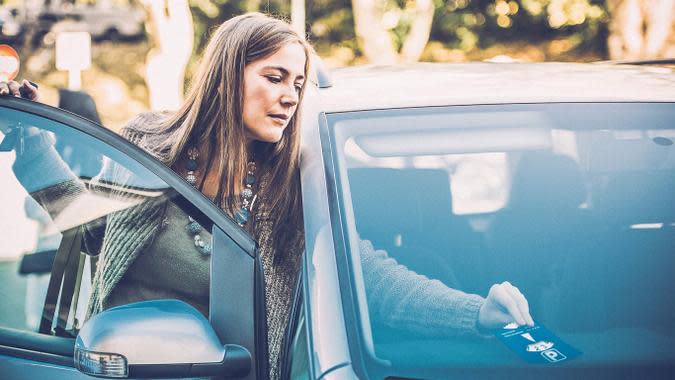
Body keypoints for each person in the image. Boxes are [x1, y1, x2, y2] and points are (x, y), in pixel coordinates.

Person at [1, 12, 532, 379]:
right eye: (275, 77)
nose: (288, 97)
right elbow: (89, 224)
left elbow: (365, 274)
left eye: (297, 85)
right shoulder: (150, 146)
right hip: (118, 366)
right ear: (228, 75)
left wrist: (475, 313)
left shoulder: (287, 186)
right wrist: (31, 142)